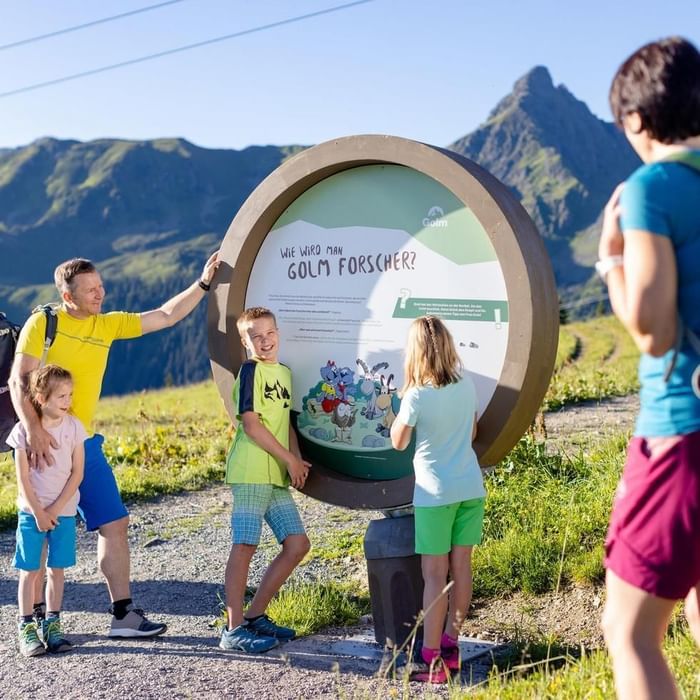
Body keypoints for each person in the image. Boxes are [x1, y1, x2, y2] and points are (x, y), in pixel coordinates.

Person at [8, 251, 220, 637]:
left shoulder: (106, 325)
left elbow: (165, 315)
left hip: (84, 443)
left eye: (101, 286)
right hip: (43, 445)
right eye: (90, 290)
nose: (100, 294)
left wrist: (203, 283)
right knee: (42, 530)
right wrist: (34, 431)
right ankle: (33, 621)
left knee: (114, 522)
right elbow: (18, 382)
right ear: (67, 296)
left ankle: (122, 616)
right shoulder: (44, 322)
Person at [598, 37, 700, 699]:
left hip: (681, 431)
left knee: (629, 632)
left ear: (636, 119)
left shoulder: (652, 186)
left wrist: (611, 259)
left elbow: (652, 331)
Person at [390, 315, 485, 683]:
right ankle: (450, 645)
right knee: (461, 569)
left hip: (434, 493)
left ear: (414, 352)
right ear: (447, 346)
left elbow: (398, 441)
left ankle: (431, 660)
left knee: (434, 576)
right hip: (469, 489)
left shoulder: (415, 395)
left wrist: (397, 411)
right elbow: (472, 430)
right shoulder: (466, 384)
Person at [219, 306, 311, 653]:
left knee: (297, 544)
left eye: (269, 333)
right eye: (255, 336)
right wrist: (288, 458)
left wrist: (296, 459)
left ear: (278, 333)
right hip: (251, 469)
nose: (265, 340)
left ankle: (256, 616)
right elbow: (252, 424)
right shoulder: (250, 371)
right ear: (246, 342)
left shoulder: (284, 373)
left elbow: (284, 421)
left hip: (274, 473)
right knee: (245, 544)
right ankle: (232, 629)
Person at [8, 365, 87, 656]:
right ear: (41, 398)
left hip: (64, 512)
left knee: (57, 570)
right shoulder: (22, 432)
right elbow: (23, 479)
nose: (67, 402)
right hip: (31, 514)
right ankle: (26, 626)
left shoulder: (75, 427)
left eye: (69, 395)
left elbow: (77, 473)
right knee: (30, 570)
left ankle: (52, 624)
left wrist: (54, 508)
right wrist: (38, 511)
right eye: (60, 397)